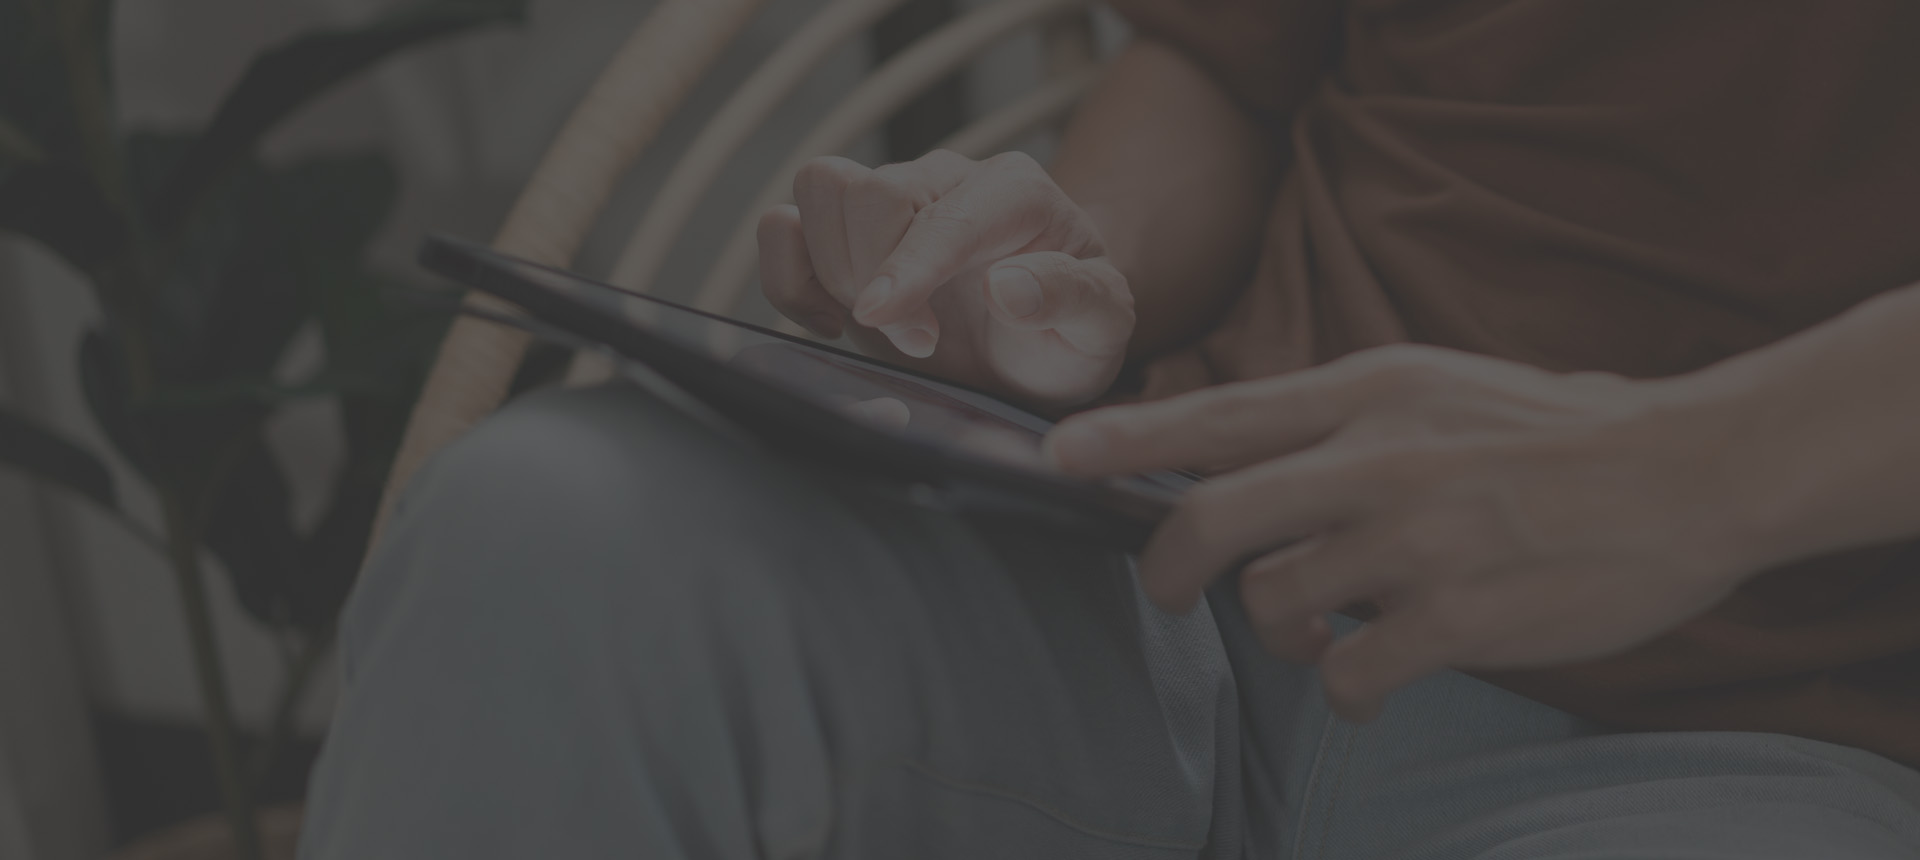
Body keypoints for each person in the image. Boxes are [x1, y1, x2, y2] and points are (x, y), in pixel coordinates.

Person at [300, 1, 1920, 857]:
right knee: (548, 530)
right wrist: (1069, 269)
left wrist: (1694, 470)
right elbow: (1221, 61)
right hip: (1176, 574)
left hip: (1749, 733)